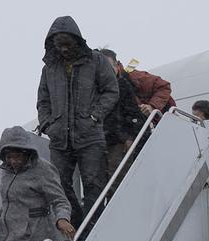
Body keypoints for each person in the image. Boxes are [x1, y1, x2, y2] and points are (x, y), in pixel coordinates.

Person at [36, 16, 119, 226]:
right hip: (59, 139)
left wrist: (94, 115)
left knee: (94, 183)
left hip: (90, 135)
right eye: (58, 44)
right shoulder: (49, 69)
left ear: (77, 41)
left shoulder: (96, 60)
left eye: (67, 44)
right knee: (58, 184)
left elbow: (111, 90)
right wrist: (48, 124)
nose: (63, 49)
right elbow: (42, 100)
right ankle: (77, 224)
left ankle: (92, 230)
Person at [0, 126, 75, 241]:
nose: (13, 161)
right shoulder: (7, 171)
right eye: (9, 157)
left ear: (26, 152)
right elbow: (13, 199)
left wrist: (62, 219)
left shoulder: (43, 169)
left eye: (17, 156)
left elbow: (60, 200)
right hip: (6, 239)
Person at [99, 48, 145, 189]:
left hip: (118, 142)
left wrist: (128, 137)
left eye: (109, 66)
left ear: (117, 65)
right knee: (101, 184)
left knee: (117, 183)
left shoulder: (123, 85)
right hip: (99, 142)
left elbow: (132, 112)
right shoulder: (95, 88)